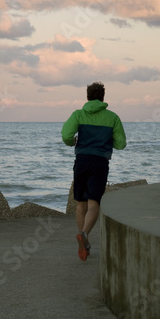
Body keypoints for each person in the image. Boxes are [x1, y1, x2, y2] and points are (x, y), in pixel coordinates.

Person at [61, 81, 126, 261]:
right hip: (100, 162)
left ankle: (84, 244)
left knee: (80, 204)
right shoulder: (113, 117)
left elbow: (66, 135)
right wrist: (105, 141)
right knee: (94, 203)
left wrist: (72, 142)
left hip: (81, 161)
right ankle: (85, 235)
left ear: (87, 96)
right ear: (103, 97)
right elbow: (121, 144)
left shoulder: (78, 114)